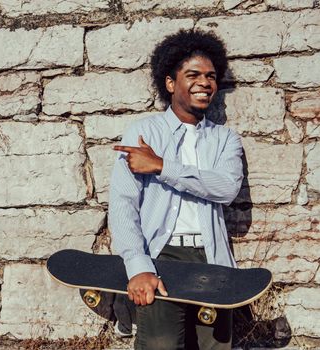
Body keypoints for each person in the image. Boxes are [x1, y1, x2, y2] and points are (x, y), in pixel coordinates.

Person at [108, 29, 244, 350]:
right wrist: (138, 267)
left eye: (211, 76)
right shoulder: (143, 132)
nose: (205, 82)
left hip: (211, 257)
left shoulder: (226, 140)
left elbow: (225, 188)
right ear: (170, 83)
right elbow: (123, 205)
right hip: (161, 255)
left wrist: (161, 166)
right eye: (193, 74)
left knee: (216, 346)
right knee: (161, 345)